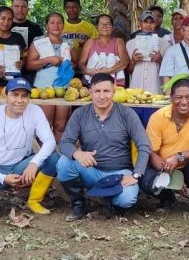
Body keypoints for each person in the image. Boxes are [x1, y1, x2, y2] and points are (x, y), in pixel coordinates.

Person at [57, 73, 152, 221]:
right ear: (90, 92)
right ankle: (79, 204)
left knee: (127, 201)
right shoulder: (80, 114)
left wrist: (136, 174)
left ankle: (102, 198)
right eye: (97, 91)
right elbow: (64, 143)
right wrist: (78, 154)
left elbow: (144, 145)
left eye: (106, 91)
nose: (102, 96)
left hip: (120, 174)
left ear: (114, 92)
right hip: (91, 171)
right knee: (64, 163)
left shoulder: (127, 113)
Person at [0, 78, 60, 216]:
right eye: (15, 94)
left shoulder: (35, 111)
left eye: (24, 96)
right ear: (5, 95)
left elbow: (49, 141)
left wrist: (34, 164)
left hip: (20, 165)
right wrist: (3, 178)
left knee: (54, 159)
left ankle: (34, 200)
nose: (20, 100)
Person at [140, 79, 189, 221]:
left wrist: (179, 156)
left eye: (188, 97)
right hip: (163, 167)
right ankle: (167, 199)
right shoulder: (158, 117)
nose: (184, 102)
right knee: (143, 175)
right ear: (171, 98)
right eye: (179, 97)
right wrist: (171, 177)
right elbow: (152, 152)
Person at [26, 12, 78, 142]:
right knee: (45, 126)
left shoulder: (68, 43)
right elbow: (29, 65)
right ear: (46, 26)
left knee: (60, 126)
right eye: (52, 22)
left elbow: (76, 62)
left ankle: (59, 157)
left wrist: (69, 65)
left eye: (59, 22)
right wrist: (49, 60)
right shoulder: (39, 42)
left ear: (63, 25)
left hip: (64, 87)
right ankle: (44, 159)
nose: (56, 25)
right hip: (44, 88)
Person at [126, 10, 169, 94]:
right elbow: (128, 70)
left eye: (151, 22)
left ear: (155, 24)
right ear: (140, 23)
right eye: (145, 22)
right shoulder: (130, 44)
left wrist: (160, 60)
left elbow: (168, 71)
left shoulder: (164, 44)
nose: (148, 25)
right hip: (136, 88)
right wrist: (133, 61)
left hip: (155, 88)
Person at [79, 14, 129, 86]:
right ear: (96, 27)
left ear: (113, 27)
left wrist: (109, 70)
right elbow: (81, 63)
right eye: (101, 24)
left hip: (114, 86)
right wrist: (89, 71)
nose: (104, 26)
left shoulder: (118, 41)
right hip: (92, 84)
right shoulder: (90, 42)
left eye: (108, 24)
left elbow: (125, 61)